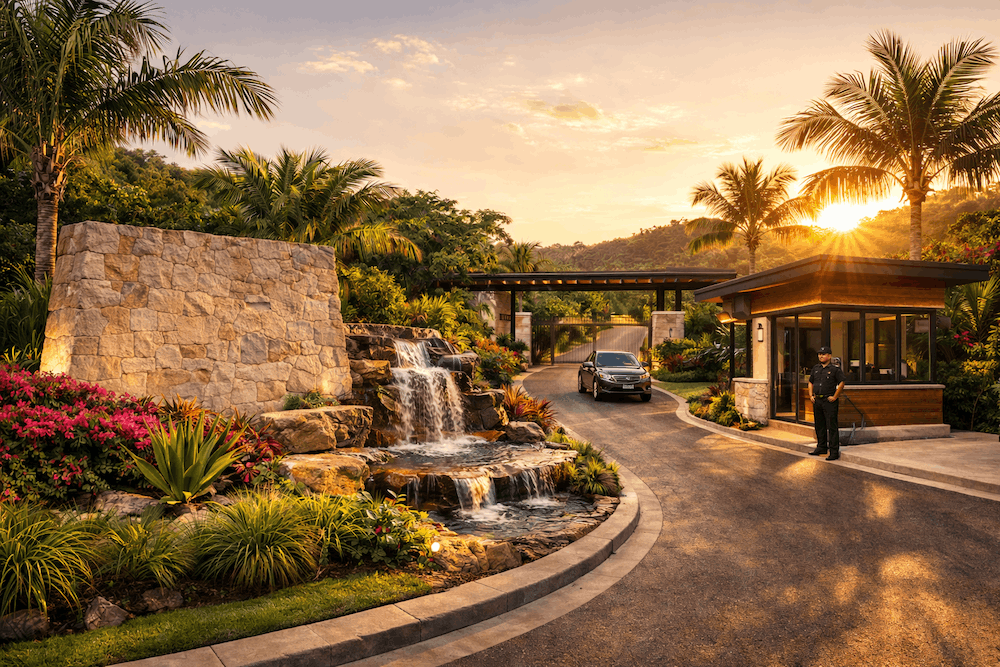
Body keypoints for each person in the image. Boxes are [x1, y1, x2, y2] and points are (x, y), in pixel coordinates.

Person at [808, 345, 846, 461]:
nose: (821, 356)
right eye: (819, 354)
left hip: (829, 402)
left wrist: (835, 396)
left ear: (829, 356)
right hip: (817, 400)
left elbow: (842, 383)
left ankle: (834, 451)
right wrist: (810, 395)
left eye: (823, 354)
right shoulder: (815, 368)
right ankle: (821, 447)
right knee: (819, 426)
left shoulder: (835, 369)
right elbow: (810, 382)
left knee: (832, 426)